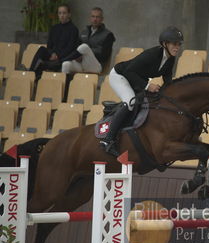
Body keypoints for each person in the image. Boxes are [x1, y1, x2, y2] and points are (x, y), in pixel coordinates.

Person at [99, 26, 183, 156]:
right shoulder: (151, 54)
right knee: (130, 102)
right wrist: (147, 86)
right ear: (165, 44)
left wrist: (173, 96)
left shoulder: (171, 58)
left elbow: (167, 80)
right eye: (174, 44)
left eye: (179, 44)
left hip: (136, 79)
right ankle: (107, 140)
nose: (177, 47)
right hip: (120, 75)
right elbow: (129, 71)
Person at [29, 4, 79, 78]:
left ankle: (32, 75)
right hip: (52, 55)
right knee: (42, 49)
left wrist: (57, 56)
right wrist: (52, 53)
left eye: (64, 13)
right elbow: (49, 45)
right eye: (60, 13)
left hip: (63, 58)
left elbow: (71, 48)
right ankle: (31, 73)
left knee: (41, 66)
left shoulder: (73, 29)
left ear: (69, 14)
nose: (62, 15)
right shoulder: (54, 28)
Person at [61, 7, 115, 74]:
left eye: (97, 17)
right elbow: (76, 48)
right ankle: (67, 84)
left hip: (96, 66)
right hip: (82, 64)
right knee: (66, 64)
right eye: (93, 16)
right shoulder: (84, 32)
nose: (95, 19)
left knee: (84, 47)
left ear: (102, 19)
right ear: (90, 18)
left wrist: (85, 53)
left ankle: (61, 60)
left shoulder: (108, 35)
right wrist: (78, 56)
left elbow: (104, 56)